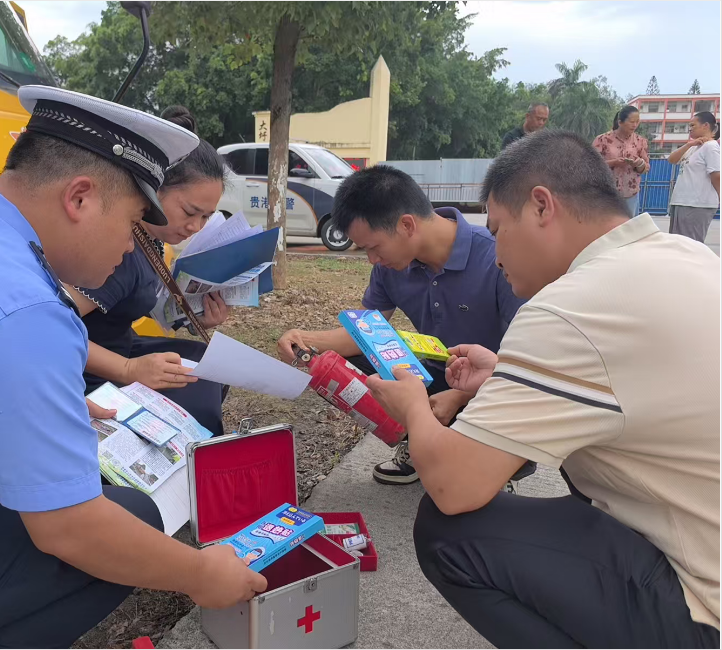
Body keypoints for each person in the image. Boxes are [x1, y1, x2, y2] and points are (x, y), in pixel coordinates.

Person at [0, 86, 266, 649]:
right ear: (80, 198)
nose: (130, 248)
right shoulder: (25, 308)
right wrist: (203, 575)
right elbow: (68, 529)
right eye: (130, 224)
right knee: (129, 523)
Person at [368, 130, 720, 648]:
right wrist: (504, 375)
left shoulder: (569, 307)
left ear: (540, 207)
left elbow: (454, 486)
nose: (497, 253)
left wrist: (415, 407)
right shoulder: (686, 257)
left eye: (499, 229)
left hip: (701, 603)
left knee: (449, 533)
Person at [276, 165, 532, 487]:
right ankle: (418, 443)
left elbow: (527, 359)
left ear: (407, 225)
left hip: (491, 383)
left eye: (373, 247)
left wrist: (459, 397)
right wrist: (305, 339)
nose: (371, 259)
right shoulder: (390, 267)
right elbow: (365, 332)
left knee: (504, 407)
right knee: (342, 365)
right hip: (433, 372)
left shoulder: (494, 256)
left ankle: (494, 465)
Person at [68, 106, 230, 436]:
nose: (195, 227)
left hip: (122, 349)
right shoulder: (118, 248)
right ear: (153, 188)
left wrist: (194, 315)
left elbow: (141, 301)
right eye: (190, 212)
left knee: (206, 364)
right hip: (89, 373)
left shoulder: (150, 239)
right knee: (198, 403)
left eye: (206, 217)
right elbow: (49, 328)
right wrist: (129, 369)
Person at [667, 111, 721, 243]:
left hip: (696, 204)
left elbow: (716, 176)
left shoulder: (711, 147)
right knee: (677, 245)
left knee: (691, 246)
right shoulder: (694, 147)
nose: (690, 129)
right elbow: (672, 159)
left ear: (705, 126)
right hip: (681, 202)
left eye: (693, 125)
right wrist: (689, 144)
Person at [592, 105, 650, 217]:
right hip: (606, 194)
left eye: (637, 121)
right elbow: (591, 164)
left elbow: (646, 167)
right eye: (631, 121)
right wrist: (613, 162)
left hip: (630, 194)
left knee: (628, 228)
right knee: (607, 229)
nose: (635, 125)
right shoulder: (602, 140)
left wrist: (639, 164)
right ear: (620, 122)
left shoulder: (640, 141)